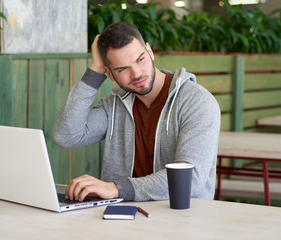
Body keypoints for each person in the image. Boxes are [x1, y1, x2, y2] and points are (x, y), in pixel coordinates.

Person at [52, 22, 220, 202]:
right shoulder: (114, 105)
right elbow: (66, 136)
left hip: (181, 218)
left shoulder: (196, 101)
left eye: (140, 59)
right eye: (122, 69)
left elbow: (189, 179)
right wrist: (95, 70)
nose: (137, 73)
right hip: (122, 218)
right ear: (109, 74)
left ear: (150, 51)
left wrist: (117, 189)